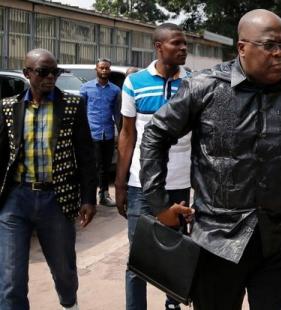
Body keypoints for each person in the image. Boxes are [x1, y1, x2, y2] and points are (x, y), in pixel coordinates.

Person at [140, 9, 281, 309]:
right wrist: (159, 204)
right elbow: (155, 135)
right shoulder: (204, 87)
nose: (279, 54)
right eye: (270, 46)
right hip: (217, 241)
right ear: (242, 48)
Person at [0, 48, 96, 310]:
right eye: (43, 72)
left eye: (55, 71)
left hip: (56, 198)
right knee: (10, 280)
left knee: (64, 271)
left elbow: (86, 155)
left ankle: (69, 304)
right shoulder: (9, 108)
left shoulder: (72, 106)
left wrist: (89, 198)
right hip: (16, 200)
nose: (50, 77)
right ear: (27, 73)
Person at [115, 23, 191, 310]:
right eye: (177, 43)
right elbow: (127, 134)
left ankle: (173, 305)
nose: (184, 48)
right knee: (138, 260)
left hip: (179, 185)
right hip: (140, 186)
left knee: (176, 254)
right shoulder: (135, 83)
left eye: (185, 44)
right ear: (159, 47)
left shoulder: (193, 83)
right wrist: (120, 184)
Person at [80, 58, 121, 207]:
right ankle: (88, 197)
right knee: (94, 166)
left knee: (106, 165)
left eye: (107, 68)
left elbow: (117, 114)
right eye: (101, 68)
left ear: (110, 70)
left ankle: (104, 195)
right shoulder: (85, 88)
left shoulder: (115, 90)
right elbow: (81, 113)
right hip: (92, 133)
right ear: (96, 69)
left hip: (108, 133)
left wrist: (121, 133)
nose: (104, 71)